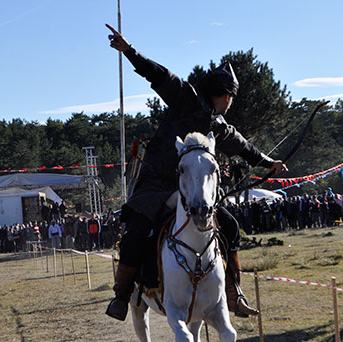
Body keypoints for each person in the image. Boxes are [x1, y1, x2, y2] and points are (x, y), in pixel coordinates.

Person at [105, 24, 287, 321]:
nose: (231, 103)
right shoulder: (185, 98)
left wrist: (269, 163)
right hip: (157, 183)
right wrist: (129, 51)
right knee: (137, 231)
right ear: (225, 94)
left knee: (228, 226)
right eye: (231, 98)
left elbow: (243, 146)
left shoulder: (217, 125)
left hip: (191, 190)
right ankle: (122, 296)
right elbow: (159, 75)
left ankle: (232, 292)